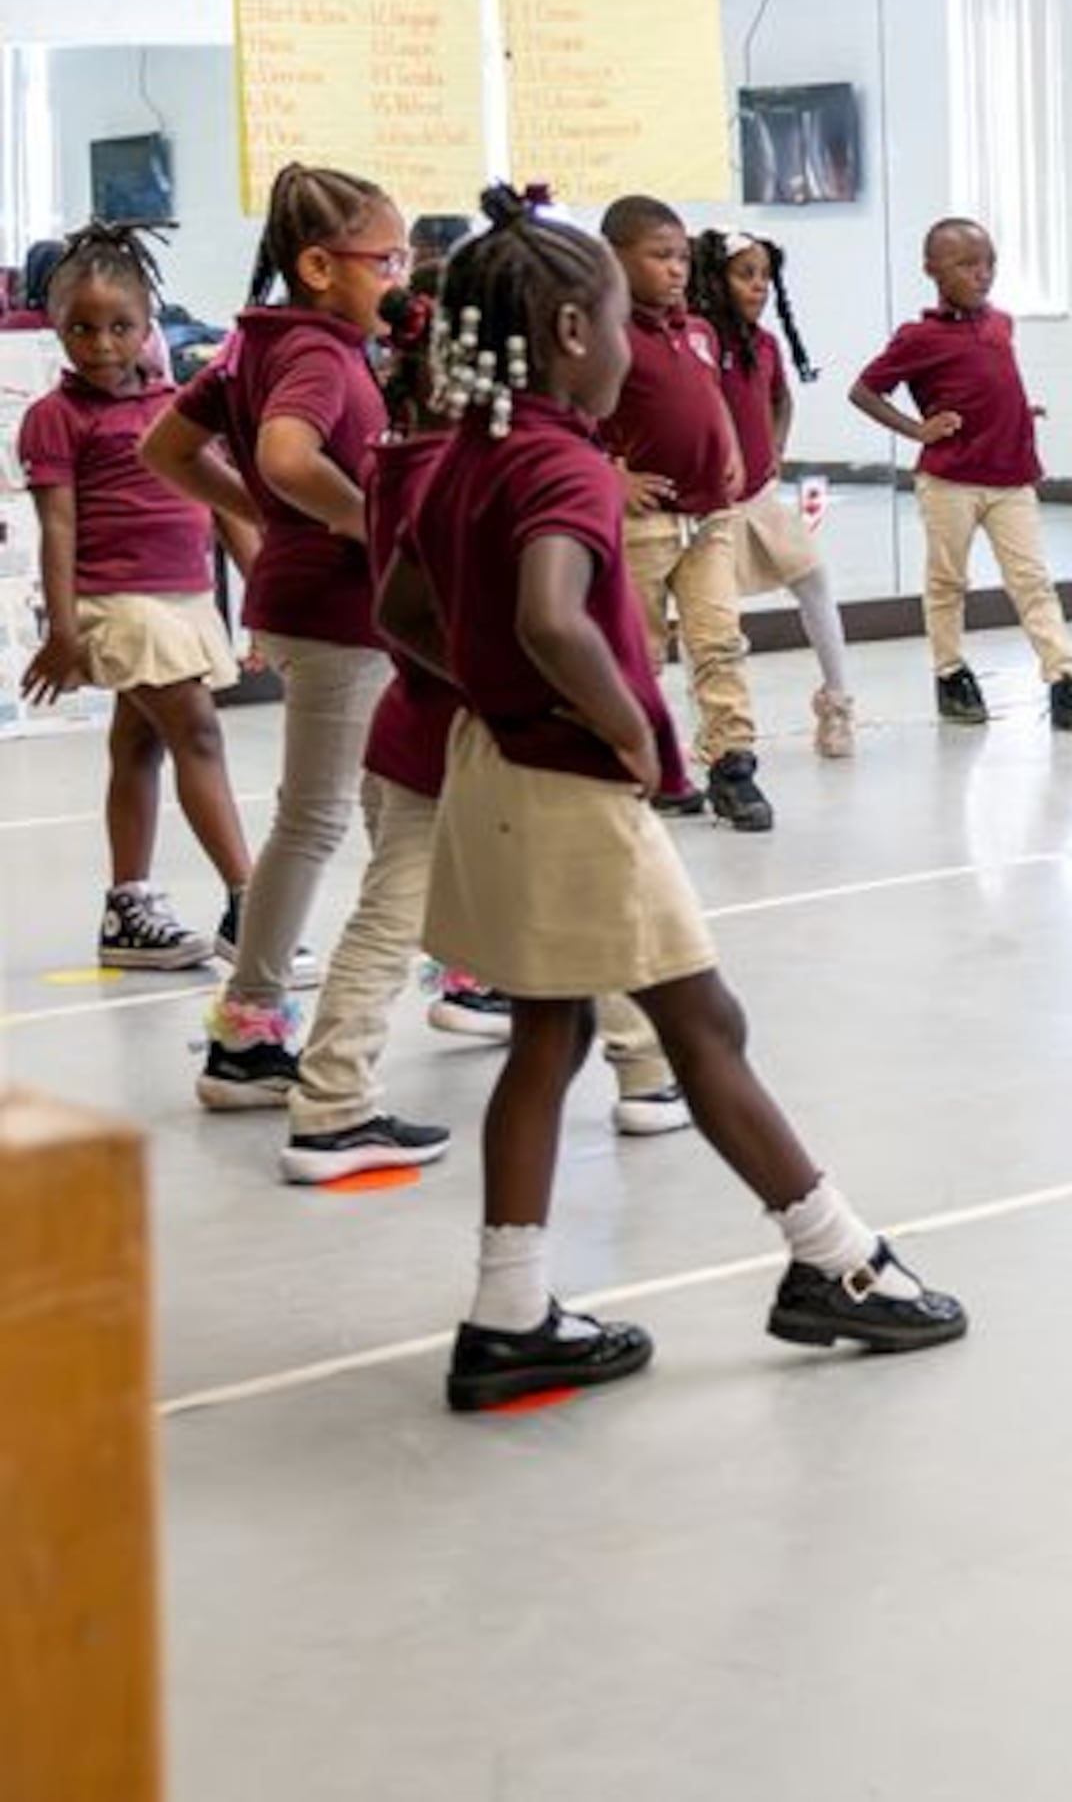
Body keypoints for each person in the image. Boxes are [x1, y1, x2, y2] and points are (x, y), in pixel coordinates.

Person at [394, 187, 965, 1411]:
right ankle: (836, 1260)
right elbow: (554, 615)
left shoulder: (463, 456)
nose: (632, 347)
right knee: (705, 1026)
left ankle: (509, 1311)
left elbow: (403, 611)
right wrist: (631, 726)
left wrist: (492, 689)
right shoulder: (563, 464)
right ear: (564, 334)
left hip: (491, 765)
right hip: (567, 785)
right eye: (613, 322)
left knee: (552, 1034)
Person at [282, 286, 687, 1184]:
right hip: (460, 741)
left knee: (558, 899)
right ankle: (332, 1103)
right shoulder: (474, 470)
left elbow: (409, 612)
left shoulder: (403, 462)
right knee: (599, 895)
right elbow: (518, 616)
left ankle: (644, 1069)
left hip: (425, 732)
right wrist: (541, 698)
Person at [140, 161, 408, 1108]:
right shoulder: (319, 355)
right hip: (334, 612)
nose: (401, 275)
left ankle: (461, 965)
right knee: (318, 816)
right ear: (321, 264)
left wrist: (263, 502)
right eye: (387, 258)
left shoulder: (257, 343)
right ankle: (249, 1036)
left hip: (313, 605)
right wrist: (357, 518)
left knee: (389, 804)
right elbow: (291, 456)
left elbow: (165, 449)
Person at [14, 220, 248, 972]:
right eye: (81, 329)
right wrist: (61, 629)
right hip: (118, 600)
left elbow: (227, 507)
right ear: (57, 330)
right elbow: (57, 526)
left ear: (150, 325)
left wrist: (265, 595)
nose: (103, 345)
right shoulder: (55, 416)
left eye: (120, 327)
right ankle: (252, 904)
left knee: (137, 742)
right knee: (200, 734)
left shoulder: (179, 404)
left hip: (183, 596)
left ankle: (128, 906)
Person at [849, 216, 1072, 734]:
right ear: (932, 270)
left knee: (1032, 581)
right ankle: (950, 672)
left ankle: (1064, 679)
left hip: (1011, 479)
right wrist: (917, 430)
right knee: (948, 581)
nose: (982, 273)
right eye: (967, 264)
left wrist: (1015, 410)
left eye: (989, 262)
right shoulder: (918, 337)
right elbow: (864, 391)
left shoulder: (1000, 324)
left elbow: (988, 383)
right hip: (951, 481)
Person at [599, 195, 768, 831]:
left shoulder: (696, 329)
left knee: (720, 638)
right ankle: (650, 764)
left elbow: (711, 397)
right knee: (640, 650)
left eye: (682, 258)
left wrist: (727, 445)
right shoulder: (601, 333)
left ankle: (733, 763)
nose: (675, 270)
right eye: (660, 256)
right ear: (615, 260)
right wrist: (611, 475)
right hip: (645, 525)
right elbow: (573, 418)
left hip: (710, 520)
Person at [689, 226, 860, 760]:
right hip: (712, 507)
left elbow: (782, 402)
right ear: (716, 281)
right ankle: (714, 726)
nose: (759, 286)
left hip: (761, 497)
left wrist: (777, 447)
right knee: (714, 624)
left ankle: (837, 702)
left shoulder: (766, 345)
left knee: (814, 582)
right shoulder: (700, 338)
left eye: (766, 276)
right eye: (746, 275)